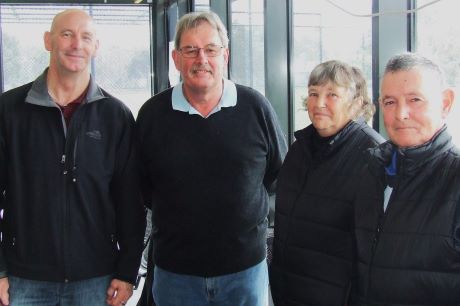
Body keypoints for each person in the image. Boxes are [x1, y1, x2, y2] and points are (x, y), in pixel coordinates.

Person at [136, 11, 287, 306]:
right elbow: (143, 186)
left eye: (210, 49)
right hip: (175, 274)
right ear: (176, 58)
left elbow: (276, 173)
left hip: (245, 272)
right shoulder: (152, 115)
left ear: (225, 55)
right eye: (190, 50)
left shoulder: (256, 107)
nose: (201, 59)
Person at [0, 9, 146, 306]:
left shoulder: (116, 116)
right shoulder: (10, 111)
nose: (76, 44)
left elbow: (130, 202)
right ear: (48, 41)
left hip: (97, 279)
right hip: (24, 279)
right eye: (66, 34)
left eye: (86, 37)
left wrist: (127, 271)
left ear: (96, 47)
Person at [269, 60, 384, 306]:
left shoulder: (373, 155)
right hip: (289, 292)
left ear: (356, 104)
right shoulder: (300, 147)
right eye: (313, 93)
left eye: (332, 94)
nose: (319, 103)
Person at [351, 53, 459, 305]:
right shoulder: (373, 170)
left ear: (445, 103)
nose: (401, 114)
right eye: (389, 102)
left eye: (415, 100)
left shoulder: (454, 179)